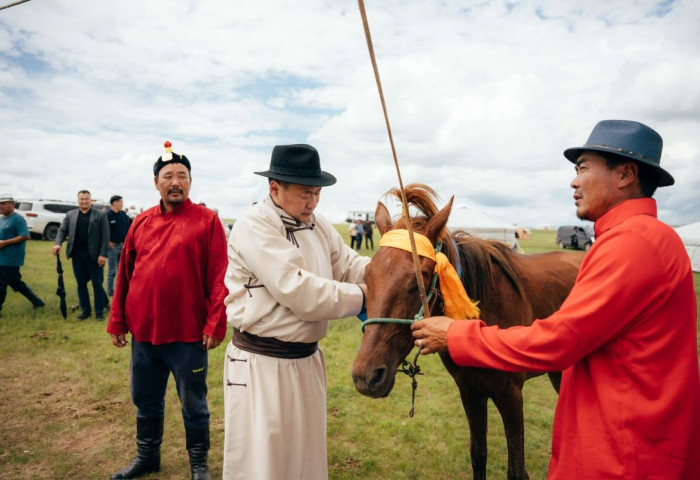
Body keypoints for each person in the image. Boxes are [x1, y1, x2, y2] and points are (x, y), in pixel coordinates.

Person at [411, 120, 700, 479]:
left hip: (624, 452)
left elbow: (560, 341)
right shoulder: (644, 237)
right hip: (634, 435)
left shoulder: (633, 243)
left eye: (583, 168)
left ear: (626, 174)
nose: (573, 182)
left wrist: (456, 335)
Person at [223, 144, 369, 480]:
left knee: (305, 457)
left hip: (306, 361)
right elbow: (300, 291)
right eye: (306, 194)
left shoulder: (317, 225)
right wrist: (363, 296)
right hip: (263, 365)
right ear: (275, 188)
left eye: (317, 194)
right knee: (265, 461)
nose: (313, 203)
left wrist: (392, 272)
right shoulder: (254, 224)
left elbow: (349, 264)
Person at [106, 141, 228, 480]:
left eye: (182, 175)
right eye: (168, 176)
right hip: (144, 331)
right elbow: (125, 276)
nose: (175, 181)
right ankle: (147, 457)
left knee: (194, 403)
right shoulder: (141, 222)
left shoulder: (207, 221)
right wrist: (117, 320)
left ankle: (198, 465)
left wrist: (216, 322)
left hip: (188, 333)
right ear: (156, 182)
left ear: (190, 182)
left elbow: (220, 276)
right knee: (146, 399)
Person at [52, 190, 109, 320]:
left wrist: (103, 254)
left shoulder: (100, 215)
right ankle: (86, 311)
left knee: (97, 284)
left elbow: (105, 236)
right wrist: (58, 243)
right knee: (81, 284)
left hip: (94, 256)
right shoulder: (70, 215)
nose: (84, 201)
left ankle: (99, 312)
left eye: (86, 199)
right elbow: (62, 230)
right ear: (78, 200)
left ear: (91, 200)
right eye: (81, 199)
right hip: (77, 255)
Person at [0, 193, 44, 316]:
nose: (1, 206)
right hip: (1, 258)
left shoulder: (17, 219)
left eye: (3, 204)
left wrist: (4, 243)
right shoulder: (1, 219)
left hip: (10, 259)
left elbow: (25, 236)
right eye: (0, 204)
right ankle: (38, 302)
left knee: (1, 285)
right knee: (16, 283)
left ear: (12, 204)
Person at [106, 195, 132, 297]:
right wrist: (107, 240)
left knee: (122, 270)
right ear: (114, 203)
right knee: (112, 270)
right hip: (112, 248)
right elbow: (102, 230)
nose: (122, 204)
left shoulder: (123, 215)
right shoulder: (107, 215)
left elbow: (132, 225)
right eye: (121, 202)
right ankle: (110, 291)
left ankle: (120, 290)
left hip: (123, 246)